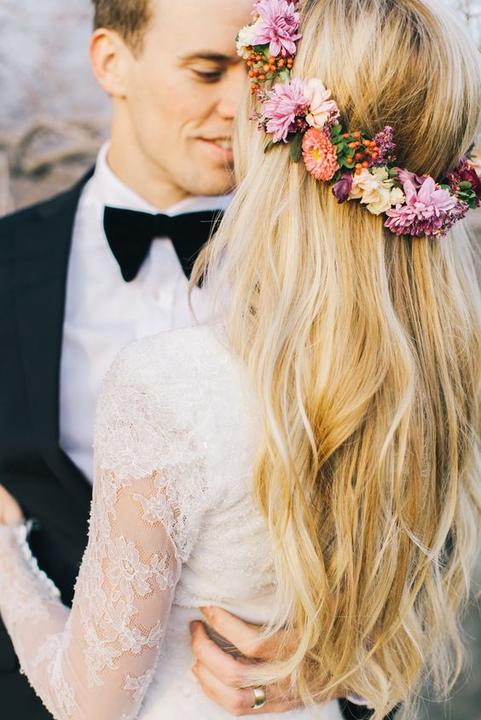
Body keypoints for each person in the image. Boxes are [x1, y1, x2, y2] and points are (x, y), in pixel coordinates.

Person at [1, 0, 480, 718]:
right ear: (111, 62)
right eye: (206, 70)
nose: (240, 107)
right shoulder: (9, 262)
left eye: (257, 78)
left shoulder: (376, 302)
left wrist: (341, 659)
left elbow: (423, 532)